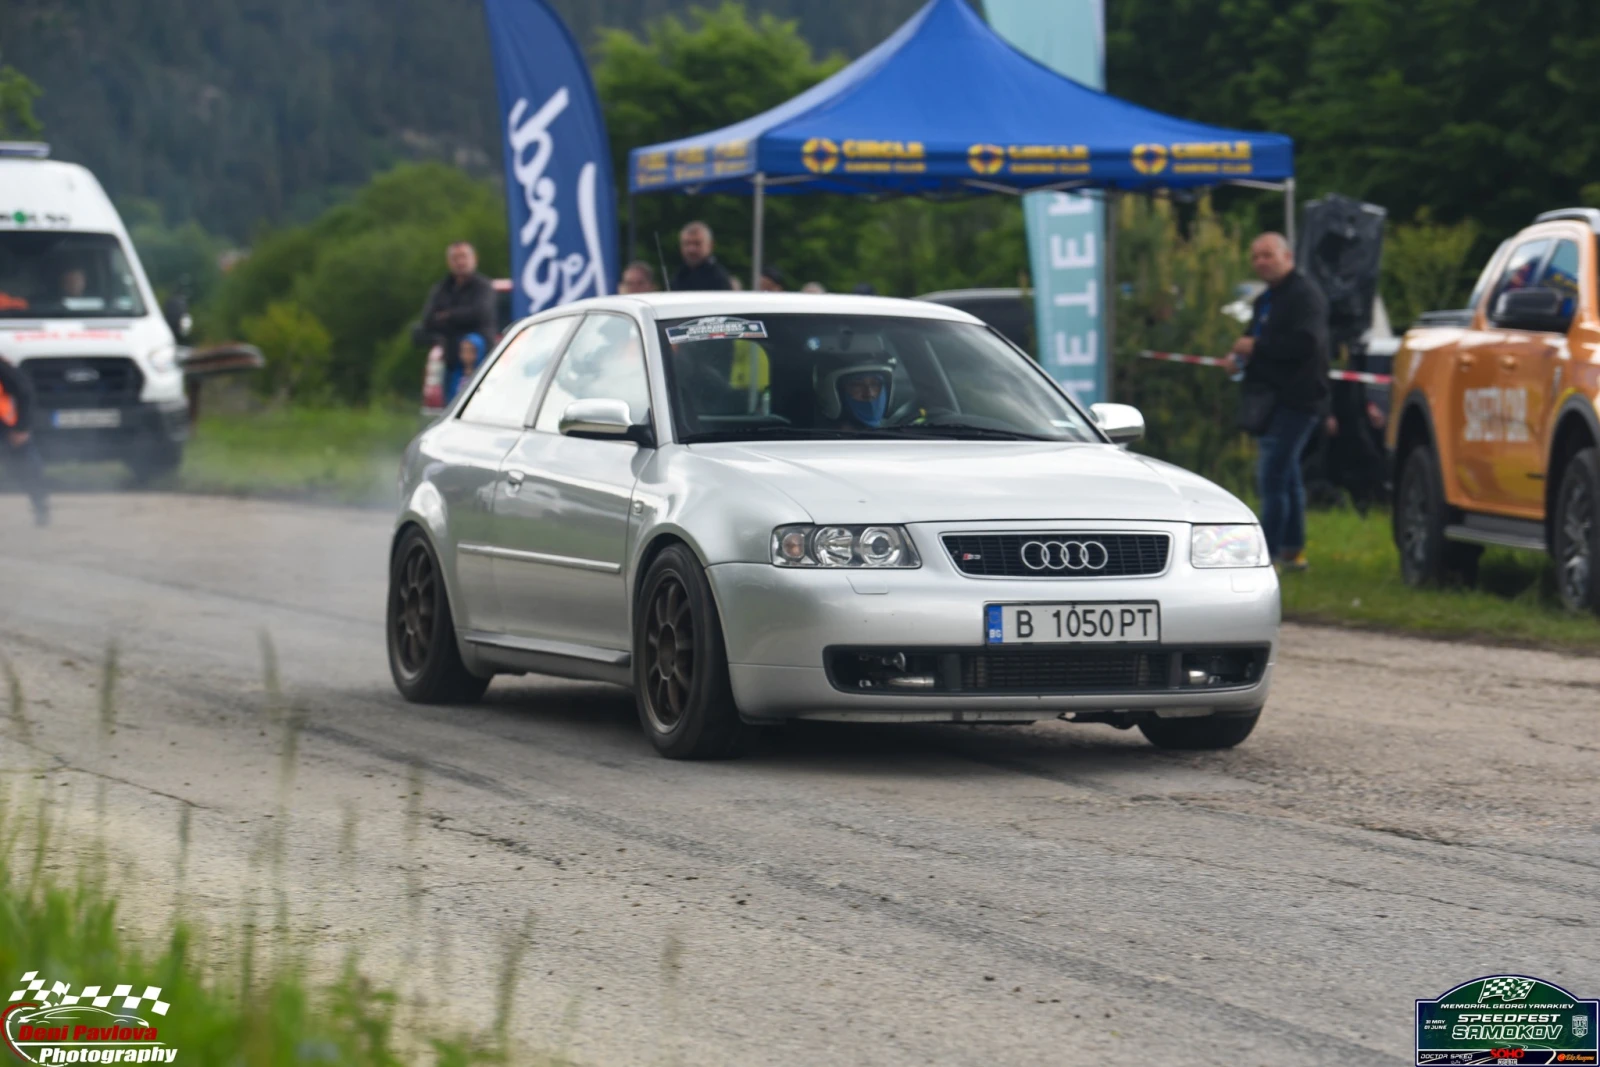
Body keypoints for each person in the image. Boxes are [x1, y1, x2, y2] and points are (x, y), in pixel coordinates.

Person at [1222, 232, 1330, 571]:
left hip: (1296, 398)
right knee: (1287, 478)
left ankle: (1263, 555)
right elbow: (1254, 340)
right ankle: (1290, 550)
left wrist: (1256, 349)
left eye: (1267, 255)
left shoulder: (1304, 295)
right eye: (1255, 257)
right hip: (1269, 398)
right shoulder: (1266, 299)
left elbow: (1306, 345)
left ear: (1287, 256)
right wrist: (1237, 359)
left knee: (1272, 477)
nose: (1260, 262)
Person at [416, 242, 497, 385]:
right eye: (455, 258)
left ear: (474, 259)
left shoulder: (483, 286)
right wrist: (460, 316)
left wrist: (447, 316)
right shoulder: (441, 288)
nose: (460, 262)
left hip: (481, 360)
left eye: (464, 257)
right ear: (449, 262)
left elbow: (479, 314)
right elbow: (428, 320)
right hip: (451, 359)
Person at [0, 358, 48, 526]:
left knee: (25, 468)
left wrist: (22, 428)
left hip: (7, 427)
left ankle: (41, 507)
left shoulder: (2, 367)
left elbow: (24, 391)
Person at [814, 357, 893, 431]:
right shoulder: (818, 441)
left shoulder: (895, 432)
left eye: (875, 384)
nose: (869, 393)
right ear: (836, 392)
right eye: (857, 385)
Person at [671, 222, 733, 291]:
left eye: (697, 243)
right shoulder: (679, 275)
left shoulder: (719, 278)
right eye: (687, 243)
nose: (691, 249)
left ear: (710, 245)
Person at [449, 333, 486, 402]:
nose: (466, 355)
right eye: (463, 351)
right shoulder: (456, 375)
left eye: (470, 351)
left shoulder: (483, 375)